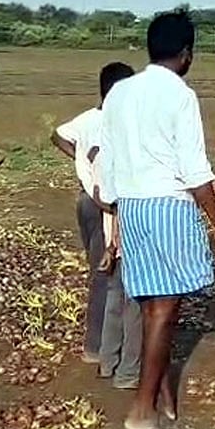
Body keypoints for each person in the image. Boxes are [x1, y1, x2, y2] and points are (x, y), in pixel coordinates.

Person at [98, 11, 215, 429]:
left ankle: (160, 395)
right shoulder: (180, 95)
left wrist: (117, 218)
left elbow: (113, 161)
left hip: (134, 206)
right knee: (165, 309)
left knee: (150, 307)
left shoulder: (120, 93)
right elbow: (195, 170)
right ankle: (142, 411)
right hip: (168, 207)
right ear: (187, 54)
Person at [51, 61, 136, 364]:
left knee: (100, 269)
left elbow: (57, 135)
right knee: (107, 274)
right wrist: (84, 161)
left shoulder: (87, 120)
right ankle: (97, 347)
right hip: (103, 205)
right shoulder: (119, 124)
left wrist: (81, 162)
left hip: (86, 201)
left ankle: (102, 343)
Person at [90, 146, 141, 390]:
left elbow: (100, 196)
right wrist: (114, 244)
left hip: (115, 237)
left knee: (115, 302)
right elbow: (121, 202)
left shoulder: (103, 155)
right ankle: (128, 373)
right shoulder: (132, 152)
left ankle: (107, 362)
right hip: (132, 241)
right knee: (135, 309)